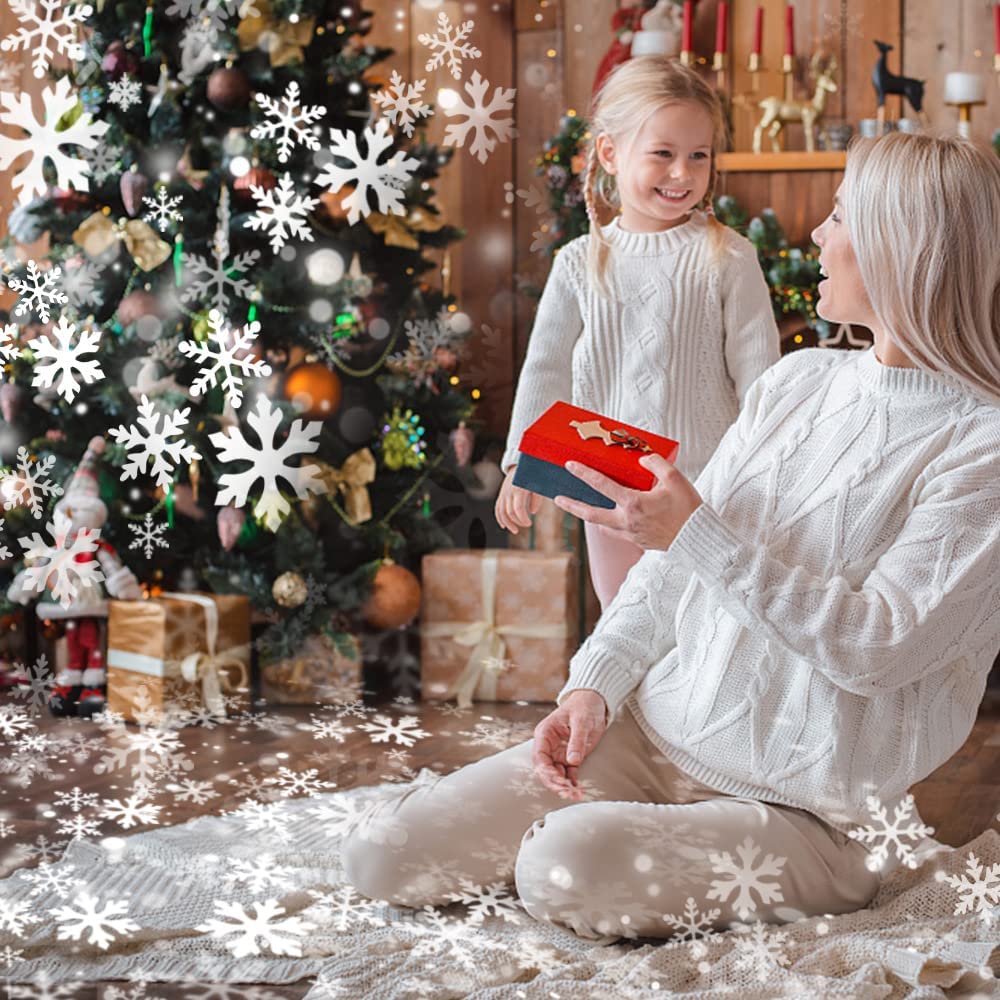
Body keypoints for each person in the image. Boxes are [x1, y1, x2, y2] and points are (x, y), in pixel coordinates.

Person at [343, 132, 1000, 943]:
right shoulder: (799, 383)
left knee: (563, 870)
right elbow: (671, 569)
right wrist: (597, 685)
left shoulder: (983, 447)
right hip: (654, 740)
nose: (817, 238)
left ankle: (628, 855)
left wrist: (696, 533)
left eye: (839, 218)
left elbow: (880, 648)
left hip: (810, 814)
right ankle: (615, 839)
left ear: (907, 249)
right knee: (384, 855)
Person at [494, 55, 780, 610]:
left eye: (699, 156)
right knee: (622, 619)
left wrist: (764, 473)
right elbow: (545, 368)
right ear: (610, 152)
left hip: (704, 494)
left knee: (697, 628)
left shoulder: (727, 258)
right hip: (605, 490)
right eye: (663, 155)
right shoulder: (580, 263)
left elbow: (760, 376)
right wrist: (521, 463)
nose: (683, 173)